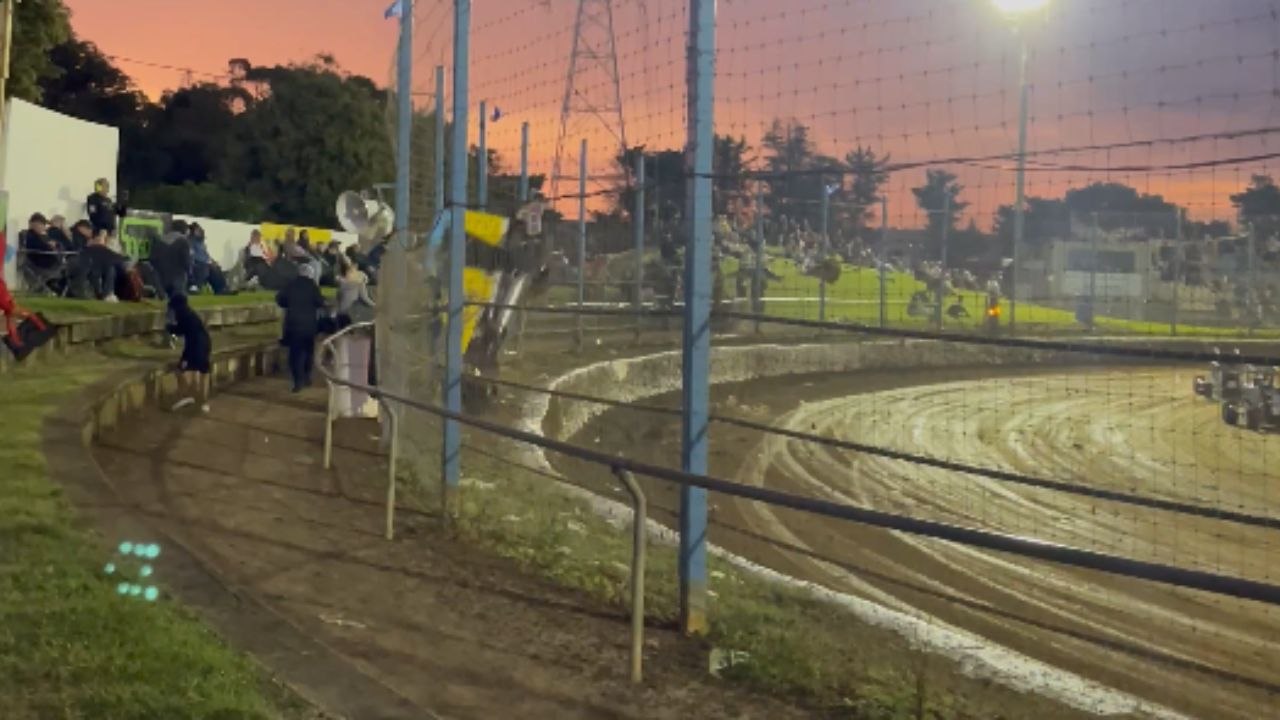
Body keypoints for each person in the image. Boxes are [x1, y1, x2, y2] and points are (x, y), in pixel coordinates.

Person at [276, 264, 326, 392]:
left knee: (294, 353)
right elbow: (320, 302)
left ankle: (297, 381)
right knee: (308, 351)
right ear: (310, 274)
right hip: (309, 325)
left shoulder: (290, 284)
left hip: (293, 324)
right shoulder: (312, 286)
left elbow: (280, 300)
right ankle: (307, 377)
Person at [165, 294, 212, 413]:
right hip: (205, 343)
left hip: (195, 347)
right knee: (204, 372)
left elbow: (181, 330)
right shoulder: (191, 314)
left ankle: (187, 395)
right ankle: (203, 402)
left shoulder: (182, 314)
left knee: (180, 370)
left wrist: (169, 327)